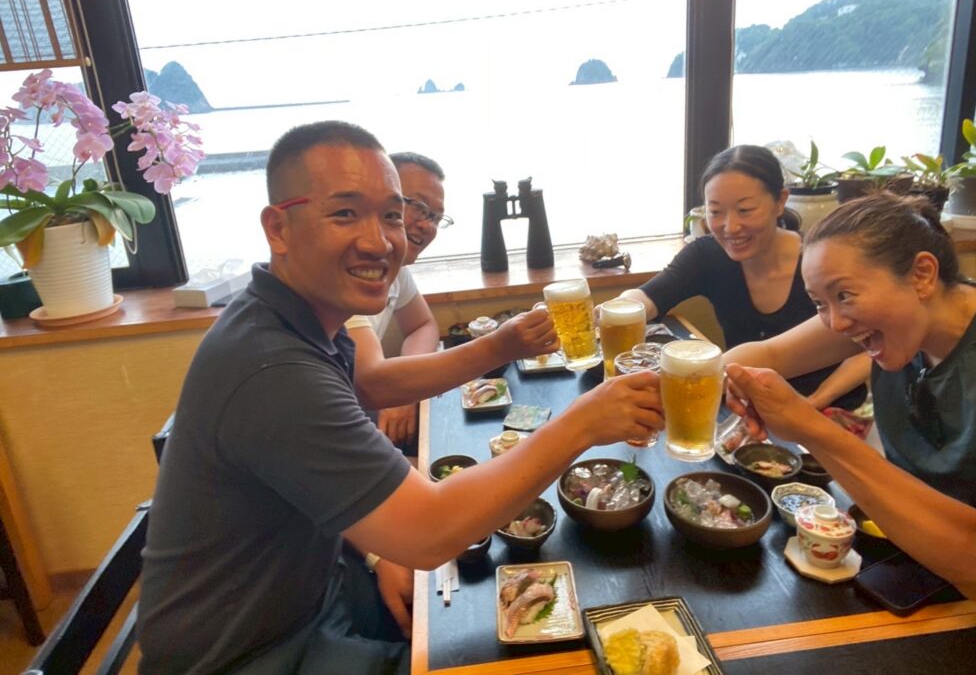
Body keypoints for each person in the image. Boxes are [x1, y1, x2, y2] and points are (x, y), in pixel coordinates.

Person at [137, 120, 663, 675]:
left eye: (392, 215)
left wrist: (374, 547)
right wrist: (582, 423)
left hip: (314, 589)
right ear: (279, 228)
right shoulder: (273, 368)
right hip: (250, 653)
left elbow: (367, 405)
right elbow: (429, 532)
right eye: (345, 213)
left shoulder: (297, 323)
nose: (380, 240)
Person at [724, 192, 976, 604]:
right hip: (909, 555)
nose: (835, 323)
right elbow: (770, 354)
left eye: (844, 295)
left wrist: (808, 425)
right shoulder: (900, 319)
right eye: (819, 303)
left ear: (922, 275)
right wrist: (686, 383)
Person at [617, 144, 869, 411]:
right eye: (716, 212)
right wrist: (618, 311)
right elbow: (650, 296)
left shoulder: (819, 263)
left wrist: (818, 399)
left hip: (829, 409)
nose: (731, 227)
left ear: (780, 201)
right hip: (747, 405)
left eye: (745, 210)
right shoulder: (707, 255)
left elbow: (867, 342)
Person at [345, 151, 450, 447]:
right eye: (419, 207)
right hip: (341, 421)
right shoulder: (342, 274)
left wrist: (406, 387)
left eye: (436, 218)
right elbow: (374, 383)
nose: (428, 225)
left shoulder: (396, 267)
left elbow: (423, 325)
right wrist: (501, 346)